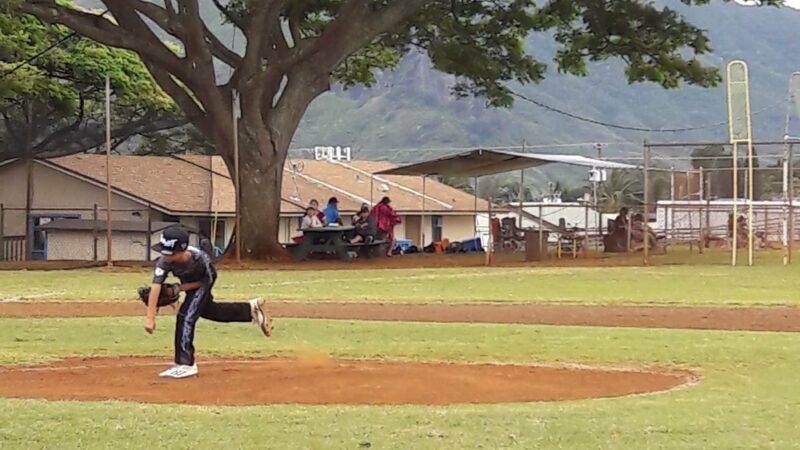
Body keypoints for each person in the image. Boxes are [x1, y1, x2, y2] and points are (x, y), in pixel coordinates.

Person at [144, 227, 272, 379]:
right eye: (164, 252)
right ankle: (251, 309)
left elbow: (206, 281)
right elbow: (156, 287)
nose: (166, 257)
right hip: (189, 281)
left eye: (170, 253)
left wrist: (181, 288)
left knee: (186, 316)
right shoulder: (163, 262)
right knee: (209, 310)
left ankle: (186, 364)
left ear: (183, 250)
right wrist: (150, 318)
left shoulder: (200, 260)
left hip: (204, 281)